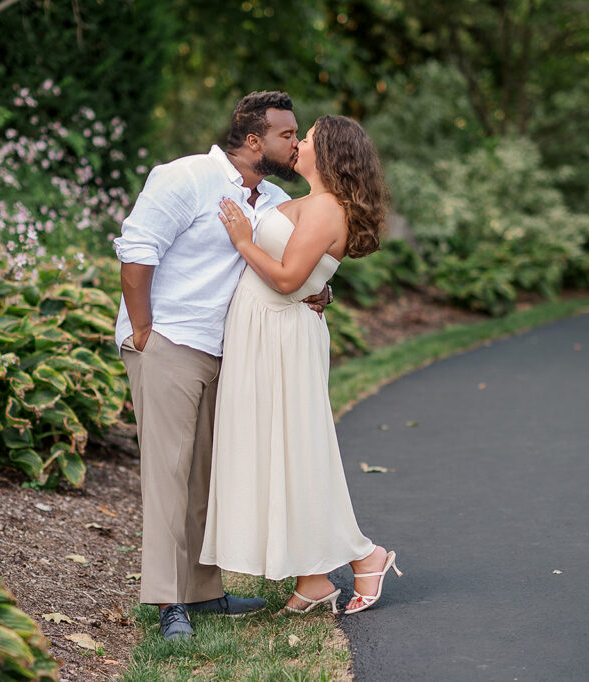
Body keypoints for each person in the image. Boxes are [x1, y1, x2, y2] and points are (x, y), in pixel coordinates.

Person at [113, 91, 329, 639]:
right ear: (254, 140)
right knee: (168, 475)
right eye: (288, 134)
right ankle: (167, 603)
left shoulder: (275, 196)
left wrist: (321, 292)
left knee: (207, 475)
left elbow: (293, 262)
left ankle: (203, 593)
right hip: (170, 342)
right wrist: (143, 333)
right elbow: (136, 252)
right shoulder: (184, 178)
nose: (296, 142)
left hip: (231, 350)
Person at [200, 115, 403, 616]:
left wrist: (244, 240)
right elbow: (309, 273)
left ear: (328, 152)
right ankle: (312, 579)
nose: (299, 144)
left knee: (297, 449)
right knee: (279, 451)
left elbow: (290, 279)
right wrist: (320, 286)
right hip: (265, 332)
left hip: (282, 334)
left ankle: (365, 554)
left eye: (307, 138)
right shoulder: (308, 203)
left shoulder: (328, 208)